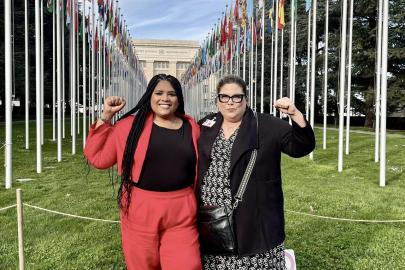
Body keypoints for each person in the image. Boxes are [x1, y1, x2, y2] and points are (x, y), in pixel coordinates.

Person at [84, 74, 202, 270]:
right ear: (149, 96)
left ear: (179, 99)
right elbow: (98, 158)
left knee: (188, 264)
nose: (165, 98)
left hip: (182, 210)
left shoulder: (192, 128)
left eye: (172, 94)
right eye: (159, 93)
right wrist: (105, 116)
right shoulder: (129, 126)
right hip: (140, 208)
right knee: (143, 266)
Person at [197, 75, 316, 269]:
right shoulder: (205, 125)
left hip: (255, 223)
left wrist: (295, 114)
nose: (230, 103)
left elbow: (301, 147)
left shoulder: (268, 126)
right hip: (213, 224)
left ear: (246, 98)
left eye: (237, 97)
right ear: (217, 99)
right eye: (224, 97)